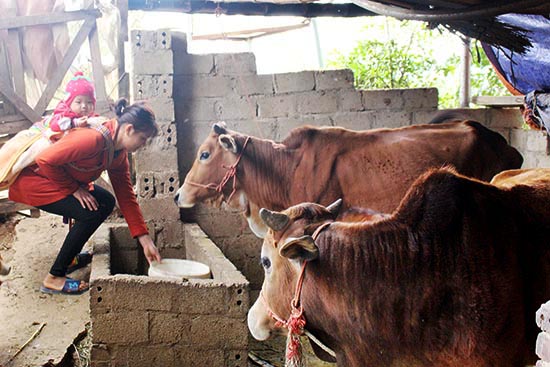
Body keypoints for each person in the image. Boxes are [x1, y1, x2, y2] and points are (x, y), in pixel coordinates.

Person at [8, 98, 162, 295]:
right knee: (90, 212)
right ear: (129, 129)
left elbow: (126, 196)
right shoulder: (93, 139)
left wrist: (145, 239)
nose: (143, 145)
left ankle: (71, 257)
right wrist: (73, 189)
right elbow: (45, 160)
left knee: (106, 201)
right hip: (36, 181)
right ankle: (54, 277)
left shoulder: (118, 154)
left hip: (57, 178)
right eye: (143, 139)